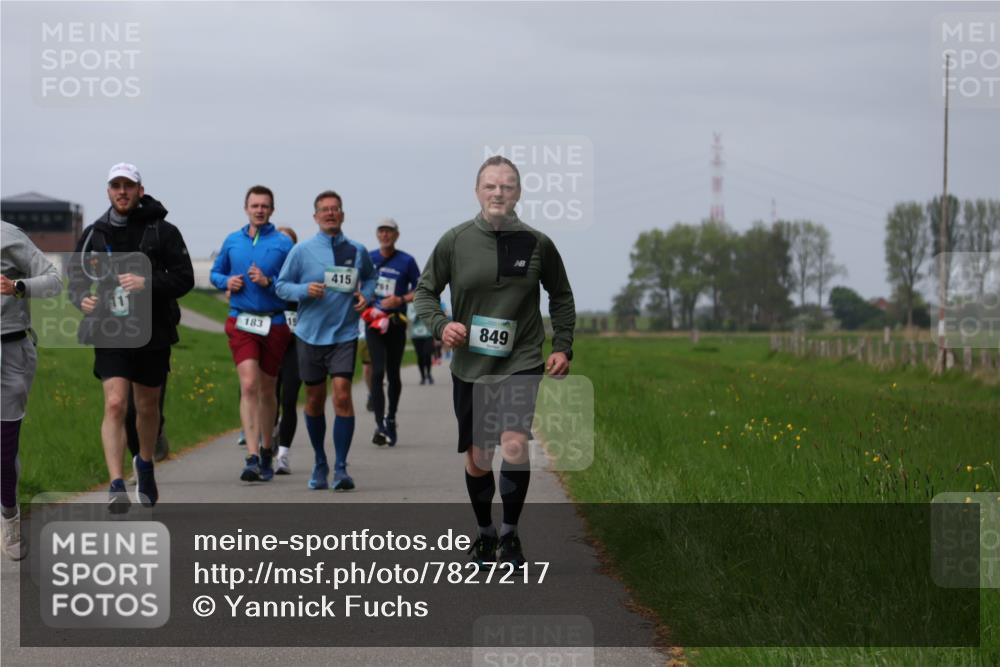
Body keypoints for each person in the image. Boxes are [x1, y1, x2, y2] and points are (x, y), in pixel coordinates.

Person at [414, 156, 575, 569]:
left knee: (514, 442)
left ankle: (511, 535)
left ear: (518, 193)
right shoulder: (455, 240)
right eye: (490, 186)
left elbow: (560, 295)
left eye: (506, 186)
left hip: (521, 358)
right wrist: (441, 325)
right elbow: (426, 292)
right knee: (479, 455)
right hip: (471, 365)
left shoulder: (538, 243)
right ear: (477, 191)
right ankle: (485, 531)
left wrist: (563, 346)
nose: (498, 192)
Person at [68, 163, 194, 512]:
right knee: (114, 404)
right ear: (108, 191)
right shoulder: (96, 234)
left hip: (152, 331)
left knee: (147, 406)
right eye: (115, 186)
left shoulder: (162, 231)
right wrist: (82, 299)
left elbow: (184, 279)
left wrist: (147, 283)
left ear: (140, 190)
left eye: (128, 185)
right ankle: (116, 483)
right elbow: (75, 277)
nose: (122, 191)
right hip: (109, 329)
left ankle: (145, 462)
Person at [276, 190, 375, 491]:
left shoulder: (357, 250)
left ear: (342, 215)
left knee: (342, 394)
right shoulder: (302, 251)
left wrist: (365, 296)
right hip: (309, 335)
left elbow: (369, 278)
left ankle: (341, 467)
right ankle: (320, 462)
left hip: (344, 333)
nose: (330, 213)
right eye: (324, 210)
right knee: (316, 400)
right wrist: (305, 290)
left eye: (335, 209)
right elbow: (281, 286)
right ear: (316, 216)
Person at [210, 185, 293, 483]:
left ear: (272, 209)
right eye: (254, 205)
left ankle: (268, 449)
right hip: (241, 321)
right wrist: (226, 281)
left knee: (268, 390)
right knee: (248, 385)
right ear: (246, 208)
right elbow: (215, 273)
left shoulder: (283, 244)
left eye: (264, 206)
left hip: (274, 323)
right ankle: (252, 456)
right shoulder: (232, 241)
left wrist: (268, 281)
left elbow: (290, 286)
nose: (259, 210)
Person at [1, 220, 62, 559]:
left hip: (9, 351)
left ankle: (9, 515)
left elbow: (54, 281)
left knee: (3, 449)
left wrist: (17, 286)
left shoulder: (9, 236)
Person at [365, 218, 421, 447]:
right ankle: (379, 424)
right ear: (377, 235)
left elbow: (420, 289)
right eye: (381, 231)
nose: (385, 235)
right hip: (373, 323)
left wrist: (401, 298)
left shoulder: (406, 261)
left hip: (396, 322)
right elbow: (359, 285)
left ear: (396, 235)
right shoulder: (368, 258)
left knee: (393, 372)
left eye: (389, 232)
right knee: (377, 372)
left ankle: (391, 417)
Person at [272, 226, 302, 474]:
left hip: (296, 343)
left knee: (289, 398)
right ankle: (267, 439)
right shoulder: (267, 272)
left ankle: (283, 454)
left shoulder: (302, 270)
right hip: (271, 340)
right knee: (269, 397)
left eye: (288, 243)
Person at [408, 302, 435, 385]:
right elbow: (411, 318)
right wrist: (419, 310)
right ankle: (423, 377)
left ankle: (429, 374)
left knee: (427, 354)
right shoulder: (411, 305)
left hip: (428, 334)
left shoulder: (428, 302)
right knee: (420, 356)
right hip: (416, 335)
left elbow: (432, 317)